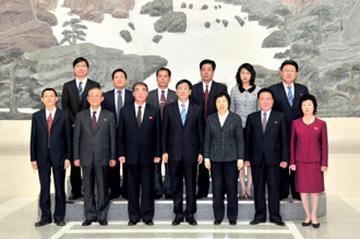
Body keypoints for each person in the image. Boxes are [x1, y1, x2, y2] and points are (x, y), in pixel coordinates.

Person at [118, 82, 161, 226]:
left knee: (148, 188)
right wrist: (121, 153)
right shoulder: (125, 111)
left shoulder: (154, 111)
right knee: (132, 188)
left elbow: (158, 135)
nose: (141, 93)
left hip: (149, 157)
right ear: (133, 93)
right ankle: (133, 216)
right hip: (130, 156)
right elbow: (121, 134)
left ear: (147, 93)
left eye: (144, 90)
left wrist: (157, 153)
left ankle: (147, 216)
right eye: (137, 90)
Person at [162, 79, 204, 226]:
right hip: (173, 153)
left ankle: (190, 213)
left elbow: (201, 132)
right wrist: (164, 151)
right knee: (176, 184)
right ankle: (178, 213)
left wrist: (201, 151)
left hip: (191, 153)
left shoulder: (197, 109)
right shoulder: (168, 108)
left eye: (186, 88)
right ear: (176, 91)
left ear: (190, 91)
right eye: (180, 88)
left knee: (192, 185)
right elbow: (164, 132)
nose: (183, 91)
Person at [73, 88, 116, 226]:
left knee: (102, 188)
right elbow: (76, 138)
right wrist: (76, 157)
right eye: (92, 96)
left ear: (102, 98)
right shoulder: (81, 116)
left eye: (97, 96)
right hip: (85, 157)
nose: (94, 98)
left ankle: (102, 216)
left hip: (103, 157)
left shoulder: (109, 116)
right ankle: (89, 215)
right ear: (87, 99)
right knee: (88, 188)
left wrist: (113, 156)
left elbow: (112, 139)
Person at [245, 88, 288, 226]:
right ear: (258, 101)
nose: (265, 101)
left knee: (274, 188)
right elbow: (248, 140)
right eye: (262, 98)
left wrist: (285, 158)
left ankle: (275, 216)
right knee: (258, 188)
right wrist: (246, 158)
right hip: (256, 159)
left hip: (274, 160)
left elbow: (284, 140)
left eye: (268, 98)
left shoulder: (280, 117)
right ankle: (259, 216)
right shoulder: (252, 117)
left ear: (272, 101)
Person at [30, 88, 71, 227]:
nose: (48, 98)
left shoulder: (64, 116)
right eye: (45, 96)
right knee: (44, 187)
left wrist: (68, 157)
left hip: (59, 156)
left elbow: (68, 139)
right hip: (41, 157)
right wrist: (33, 158)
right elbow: (33, 138)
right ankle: (45, 217)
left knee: (60, 188)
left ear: (56, 99)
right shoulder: (37, 116)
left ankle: (59, 217)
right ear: (42, 99)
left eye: (51, 96)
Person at [61, 57, 101, 200]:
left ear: (87, 69)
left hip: (92, 129)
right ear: (74, 69)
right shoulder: (67, 86)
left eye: (84, 66)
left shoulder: (94, 85)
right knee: (75, 159)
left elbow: (96, 105)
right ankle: (76, 190)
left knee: (92, 159)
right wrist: (75, 122)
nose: (81, 68)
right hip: (73, 129)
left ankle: (92, 190)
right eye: (78, 66)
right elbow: (65, 106)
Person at [269, 59, 309, 200]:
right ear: (280, 72)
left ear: (296, 73)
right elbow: (270, 112)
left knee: (297, 162)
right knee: (282, 161)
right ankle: (282, 191)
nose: (288, 73)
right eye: (286, 70)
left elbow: (307, 111)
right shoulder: (273, 90)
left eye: (292, 71)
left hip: (299, 133)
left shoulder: (303, 90)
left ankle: (297, 191)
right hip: (280, 133)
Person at [204, 92, 244, 226]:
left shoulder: (235, 118)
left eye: (224, 101)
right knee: (217, 189)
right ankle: (218, 216)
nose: (221, 104)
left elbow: (240, 140)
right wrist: (206, 157)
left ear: (228, 103)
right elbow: (207, 140)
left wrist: (240, 158)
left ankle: (232, 217)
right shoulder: (211, 118)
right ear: (215, 104)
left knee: (232, 189)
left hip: (232, 159)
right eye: (218, 102)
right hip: (215, 159)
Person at [190, 59, 227, 199]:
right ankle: (202, 190)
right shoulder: (194, 88)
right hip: (198, 129)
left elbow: (224, 107)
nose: (206, 72)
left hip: (217, 128)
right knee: (202, 160)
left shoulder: (221, 88)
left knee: (219, 159)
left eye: (209, 69)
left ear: (213, 71)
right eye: (203, 69)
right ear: (200, 71)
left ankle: (222, 189)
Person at [290, 94, 328, 229]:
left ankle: (314, 215)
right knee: (304, 190)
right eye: (304, 105)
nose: (307, 107)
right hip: (300, 162)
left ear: (314, 107)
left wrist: (324, 163)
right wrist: (292, 162)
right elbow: (292, 144)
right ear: (301, 107)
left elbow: (324, 145)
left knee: (315, 190)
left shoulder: (321, 124)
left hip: (316, 163)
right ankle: (307, 215)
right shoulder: (295, 123)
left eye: (309, 105)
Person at [102, 68, 134, 200]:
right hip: (110, 135)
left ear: (126, 80)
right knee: (113, 163)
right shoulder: (106, 96)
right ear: (112, 80)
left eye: (122, 77)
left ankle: (127, 190)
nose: (119, 79)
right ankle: (114, 190)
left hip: (129, 135)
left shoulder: (132, 95)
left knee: (128, 163)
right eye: (116, 77)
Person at [230, 63, 260, 199]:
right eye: (242, 73)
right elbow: (231, 110)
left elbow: (260, 111)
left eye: (248, 73)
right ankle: (242, 187)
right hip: (238, 128)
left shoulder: (259, 90)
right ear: (239, 75)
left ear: (252, 75)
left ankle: (250, 186)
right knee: (240, 159)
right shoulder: (234, 90)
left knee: (252, 159)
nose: (245, 75)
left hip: (253, 130)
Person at [147, 67, 177, 199]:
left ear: (169, 79)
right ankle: (157, 189)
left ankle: (169, 188)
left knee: (169, 162)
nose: (163, 78)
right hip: (152, 134)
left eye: (166, 76)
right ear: (156, 78)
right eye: (160, 76)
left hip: (171, 135)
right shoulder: (149, 95)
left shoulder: (175, 95)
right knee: (155, 162)